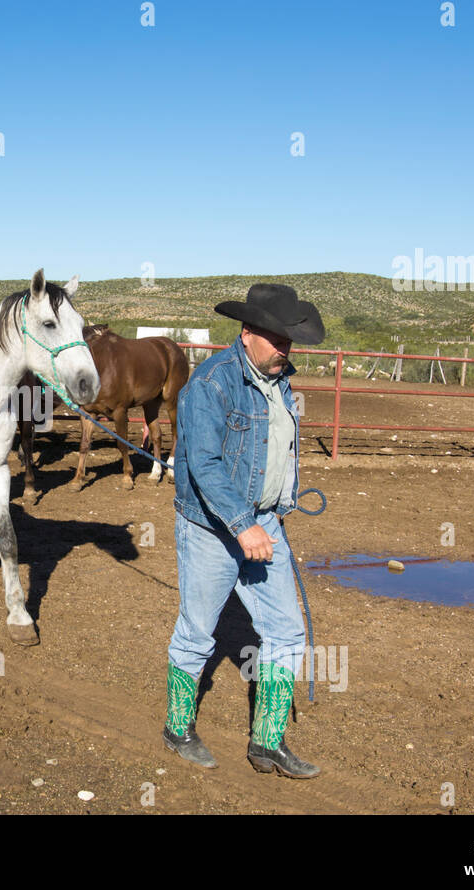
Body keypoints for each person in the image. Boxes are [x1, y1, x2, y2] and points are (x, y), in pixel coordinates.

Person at [162, 283, 325, 778]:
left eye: (289, 340)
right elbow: (205, 465)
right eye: (277, 338)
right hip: (214, 529)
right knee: (197, 633)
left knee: (286, 630)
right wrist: (242, 524)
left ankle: (267, 742)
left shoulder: (279, 379)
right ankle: (176, 727)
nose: (285, 348)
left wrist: (274, 506)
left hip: (264, 522)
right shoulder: (211, 384)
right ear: (248, 331)